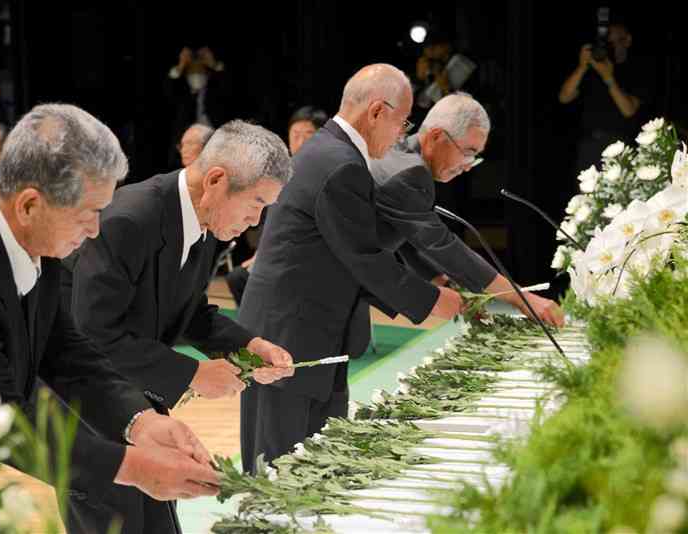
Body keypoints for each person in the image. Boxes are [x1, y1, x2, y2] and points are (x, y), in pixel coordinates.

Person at [0, 103, 220, 534]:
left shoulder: (24, 231)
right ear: (30, 204)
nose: (97, 229)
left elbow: (63, 350)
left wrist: (141, 422)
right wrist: (133, 468)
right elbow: (3, 423)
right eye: (88, 213)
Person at [62, 120, 295, 532]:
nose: (257, 221)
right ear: (217, 180)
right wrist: (194, 374)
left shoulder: (202, 221)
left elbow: (188, 310)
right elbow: (91, 335)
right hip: (88, 404)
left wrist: (249, 344)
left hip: (136, 396)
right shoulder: (130, 220)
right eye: (256, 203)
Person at [237, 64, 464, 473]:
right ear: (378, 111)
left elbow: (358, 248)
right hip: (287, 336)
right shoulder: (338, 162)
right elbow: (365, 259)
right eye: (402, 121)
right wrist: (435, 301)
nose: (402, 134)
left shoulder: (334, 152)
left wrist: (429, 285)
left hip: (313, 333)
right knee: (279, 475)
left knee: (318, 467)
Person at [370, 93, 565, 325]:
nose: (467, 166)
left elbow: (406, 237)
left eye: (475, 157)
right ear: (436, 136)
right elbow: (443, 245)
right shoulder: (409, 173)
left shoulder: (401, 155)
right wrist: (523, 299)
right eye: (469, 152)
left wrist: (442, 282)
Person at [225, 105, 328, 306]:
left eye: (308, 134)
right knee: (239, 278)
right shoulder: (280, 173)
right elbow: (271, 222)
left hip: (308, 256)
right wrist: (260, 254)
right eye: (295, 134)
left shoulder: (327, 172)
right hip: (277, 254)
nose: (300, 141)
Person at [558, 19, 649, 175]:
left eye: (616, 41)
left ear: (627, 40)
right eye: (608, 42)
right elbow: (564, 97)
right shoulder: (594, 69)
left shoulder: (637, 70)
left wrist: (609, 78)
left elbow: (628, 110)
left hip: (620, 146)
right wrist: (582, 66)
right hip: (589, 146)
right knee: (587, 198)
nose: (612, 46)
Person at [164, 46, 230, 169]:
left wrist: (213, 64)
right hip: (187, 145)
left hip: (216, 140)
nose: (196, 74)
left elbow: (229, 88)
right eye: (192, 71)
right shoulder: (182, 93)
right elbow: (167, 93)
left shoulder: (215, 90)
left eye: (199, 71)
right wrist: (181, 65)